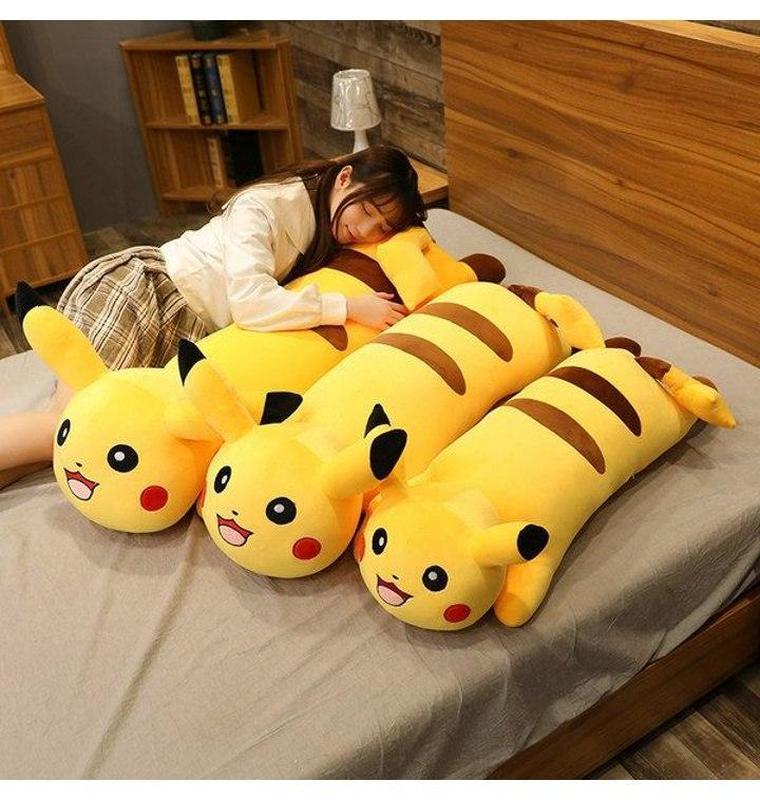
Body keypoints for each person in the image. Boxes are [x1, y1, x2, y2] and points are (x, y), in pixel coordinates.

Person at [0, 145, 427, 484]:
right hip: (145, 293)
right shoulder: (267, 206)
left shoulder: (321, 219)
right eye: (366, 211)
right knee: (71, 424)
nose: (366, 231)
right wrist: (347, 306)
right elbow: (250, 302)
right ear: (345, 177)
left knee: (76, 438)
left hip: (180, 325)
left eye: (381, 228)